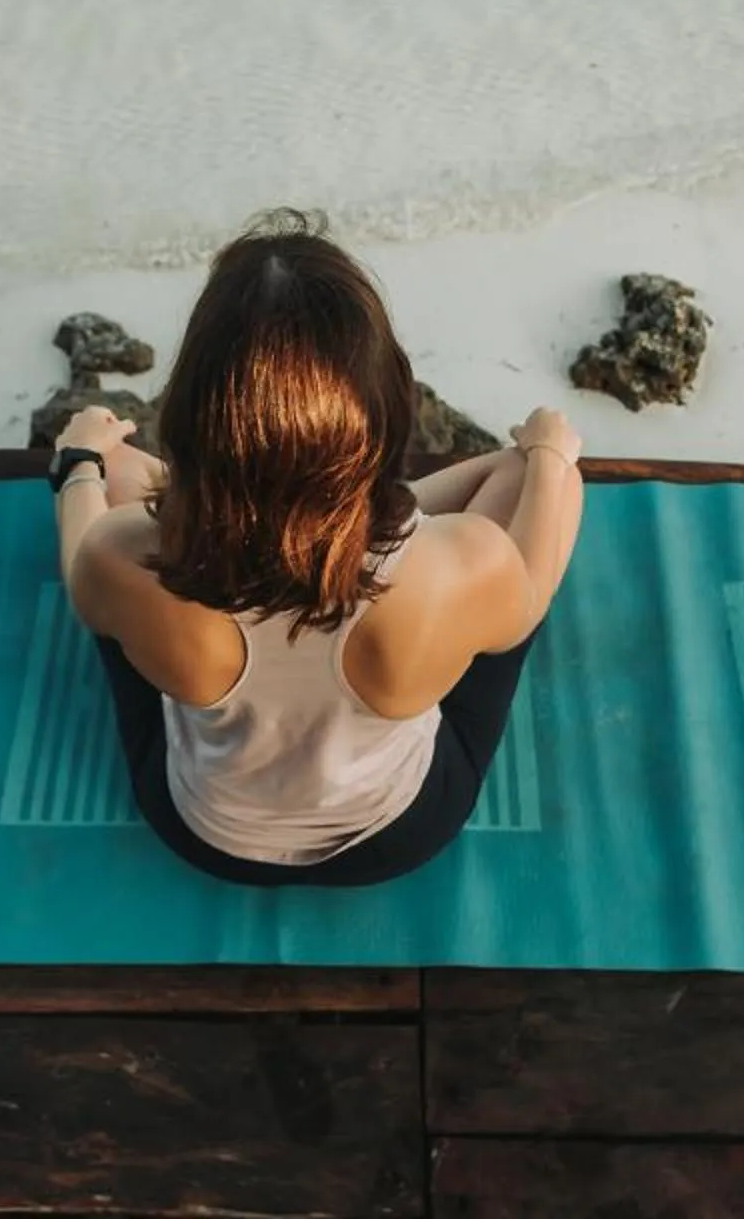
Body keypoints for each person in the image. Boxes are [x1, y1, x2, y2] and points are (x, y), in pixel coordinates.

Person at [46, 208, 585, 886]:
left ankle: (172, 483)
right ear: (386, 402)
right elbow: (531, 596)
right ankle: (385, 509)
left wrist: (80, 463)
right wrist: (551, 458)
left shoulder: (118, 554)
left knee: (118, 482)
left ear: (192, 409)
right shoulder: (459, 563)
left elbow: (79, 570)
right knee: (517, 482)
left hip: (203, 830)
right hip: (399, 831)